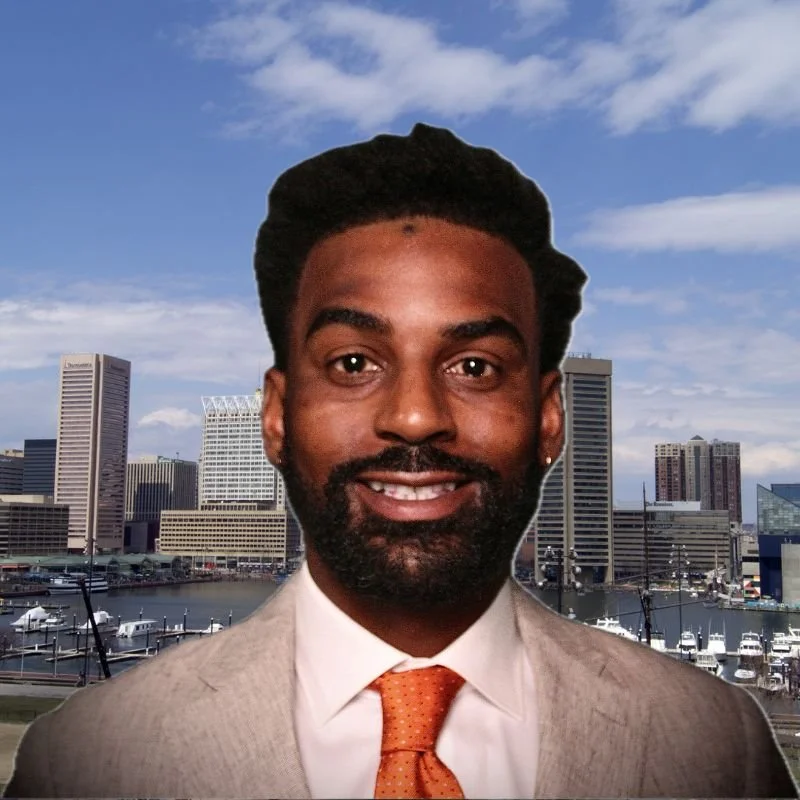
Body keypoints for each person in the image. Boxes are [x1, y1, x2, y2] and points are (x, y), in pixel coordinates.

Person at [5, 124, 796, 799]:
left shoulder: (718, 748)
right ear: (276, 416)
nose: (415, 416)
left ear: (549, 418)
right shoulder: (81, 764)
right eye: (353, 363)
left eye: (475, 366)